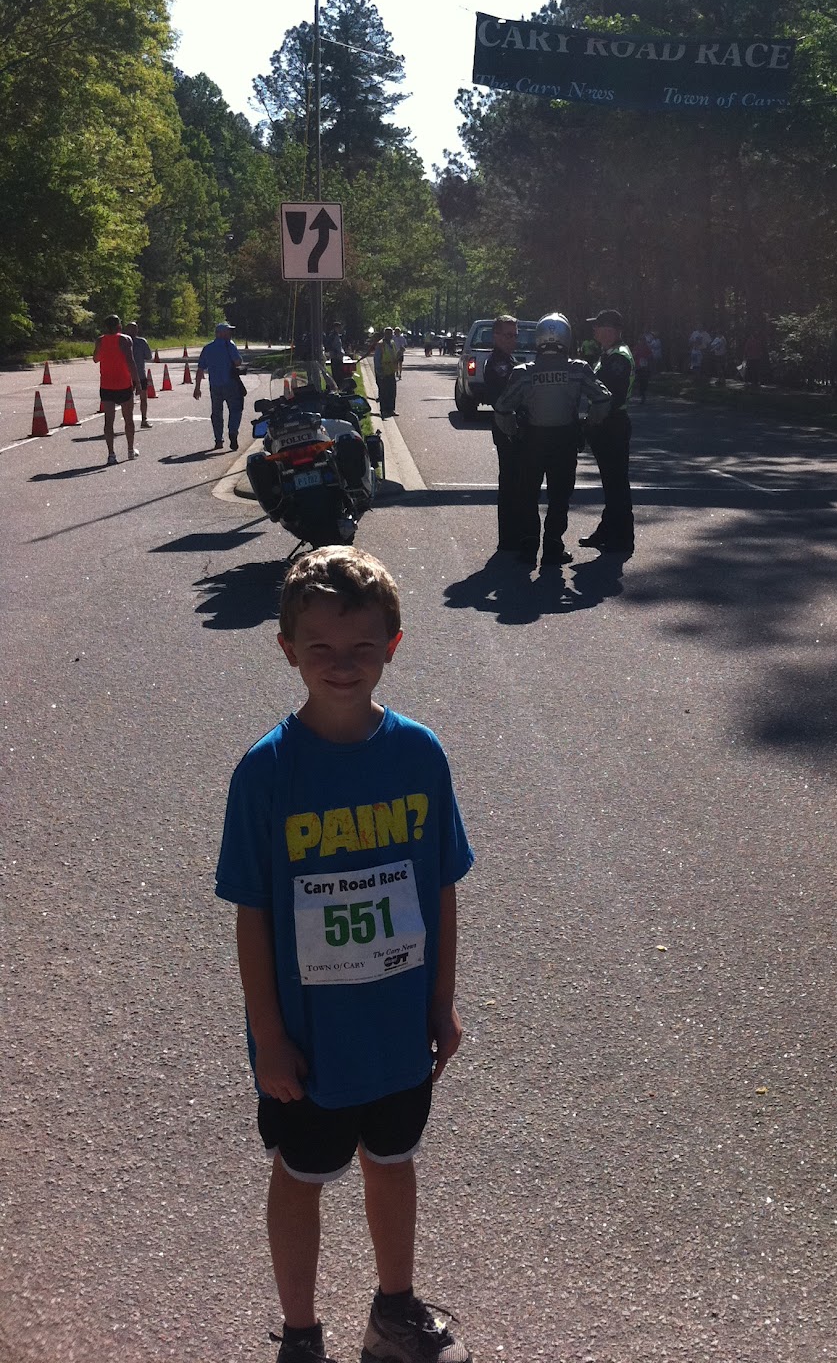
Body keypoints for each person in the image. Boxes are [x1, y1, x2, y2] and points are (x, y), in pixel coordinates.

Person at [215, 547, 474, 1363]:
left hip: (397, 1028)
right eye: (319, 647)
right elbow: (251, 914)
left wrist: (442, 1003)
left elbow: (439, 889)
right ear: (286, 648)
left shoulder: (420, 755)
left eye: (361, 647)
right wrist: (270, 1035)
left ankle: (393, 1312)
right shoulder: (266, 774)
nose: (341, 664)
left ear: (392, 646)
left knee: (392, 1162)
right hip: (311, 1038)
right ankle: (300, 1331)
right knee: (302, 1175)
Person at [494, 311, 612, 569]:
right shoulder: (578, 370)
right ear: (566, 337)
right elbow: (603, 399)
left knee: (528, 496)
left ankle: (528, 547)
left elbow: (502, 408)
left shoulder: (524, 372)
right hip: (565, 441)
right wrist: (588, 424)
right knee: (559, 497)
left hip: (532, 442)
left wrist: (513, 432)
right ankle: (553, 548)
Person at [581, 308, 636, 555]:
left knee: (616, 484)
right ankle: (608, 531)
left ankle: (622, 538)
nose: (594, 330)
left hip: (613, 423)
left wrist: (593, 421)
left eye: (598, 326)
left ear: (611, 330)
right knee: (611, 483)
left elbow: (612, 396)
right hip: (606, 424)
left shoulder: (619, 358)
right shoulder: (608, 355)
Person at [482, 315, 530, 556]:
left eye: (515, 335)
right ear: (496, 336)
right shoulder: (498, 364)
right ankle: (509, 538)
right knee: (511, 483)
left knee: (517, 482)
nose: (513, 340)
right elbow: (504, 398)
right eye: (508, 335)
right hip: (507, 427)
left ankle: (515, 534)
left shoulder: (508, 360)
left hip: (515, 426)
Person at [92, 314, 138, 465]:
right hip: (124, 384)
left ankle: (111, 454)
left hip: (107, 385)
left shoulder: (100, 340)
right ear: (119, 325)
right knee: (128, 418)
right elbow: (130, 361)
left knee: (108, 421)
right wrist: (136, 381)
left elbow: (95, 358)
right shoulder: (125, 339)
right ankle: (130, 450)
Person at [194, 320, 246, 451]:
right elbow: (238, 362)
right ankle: (233, 432)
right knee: (235, 409)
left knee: (216, 413)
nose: (230, 333)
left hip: (215, 385)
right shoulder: (229, 345)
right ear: (221, 333)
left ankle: (218, 440)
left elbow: (200, 369)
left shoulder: (208, 348)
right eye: (228, 331)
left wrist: (197, 387)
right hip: (231, 384)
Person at [126, 321, 153, 428]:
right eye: (132, 329)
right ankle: (141, 419)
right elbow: (148, 356)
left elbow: (149, 356)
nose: (133, 331)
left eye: (134, 328)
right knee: (140, 398)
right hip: (136, 374)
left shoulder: (123, 341)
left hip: (131, 375)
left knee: (133, 399)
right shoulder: (141, 342)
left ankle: (139, 419)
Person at [374, 328, 401, 419]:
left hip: (391, 371)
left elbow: (394, 356)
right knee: (383, 392)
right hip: (383, 372)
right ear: (385, 334)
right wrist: (379, 372)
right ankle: (384, 410)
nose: (390, 335)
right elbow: (377, 359)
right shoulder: (380, 344)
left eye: (391, 333)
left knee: (392, 392)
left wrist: (400, 353)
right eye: (388, 333)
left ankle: (391, 409)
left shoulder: (392, 343)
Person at [632, 335, 653, 404]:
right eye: (641, 340)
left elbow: (650, 356)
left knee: (644, 381)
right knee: (640, 381)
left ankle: (643, 393)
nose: (642, 342)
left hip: (645, 367)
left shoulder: (647, 348)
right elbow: (634, 356)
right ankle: (641, 392)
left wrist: (649, 364)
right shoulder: (637, 347)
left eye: (643, 340)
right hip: (639, 367)